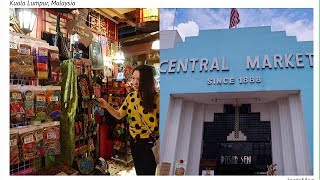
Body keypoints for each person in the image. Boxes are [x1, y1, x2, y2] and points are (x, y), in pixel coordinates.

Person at [93, 65, 159, 175]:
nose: (135, 82)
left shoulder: (156, 99)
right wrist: (106, 105)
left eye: (139, 79)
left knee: (149, 173)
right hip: (134, 143)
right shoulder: (131, 97)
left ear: (146, 81)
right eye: (133, 78)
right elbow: (119, 115)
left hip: (149, 144)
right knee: (139, 172)